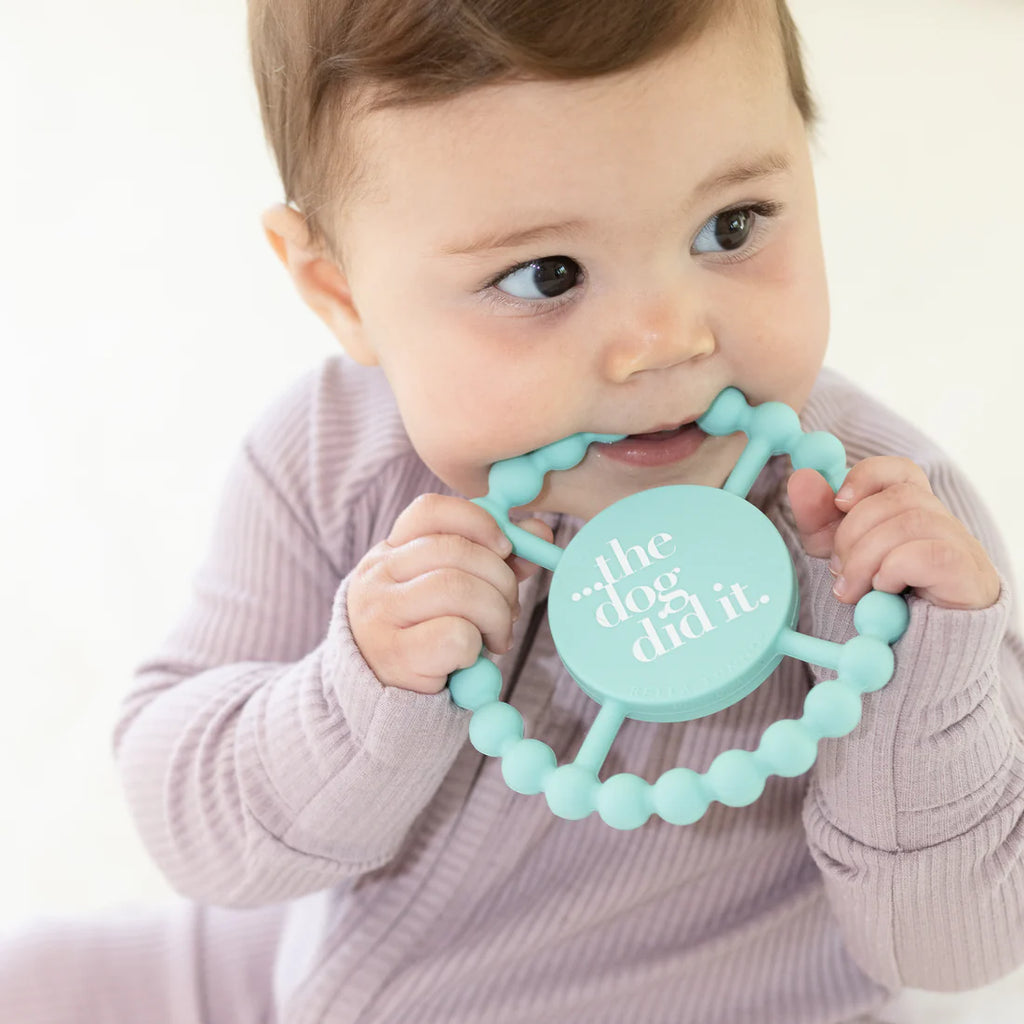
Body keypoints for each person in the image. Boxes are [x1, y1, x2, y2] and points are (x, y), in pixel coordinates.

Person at [4, 0, 1023, 1021]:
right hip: (304, 965)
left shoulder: (893, 540)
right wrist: (361, 688)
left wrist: (925, 684)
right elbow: (192, 824)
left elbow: (956, 944)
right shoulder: (329, 455)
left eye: (731, 226)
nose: (661, 340)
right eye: (547, 275)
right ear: (340, 290)